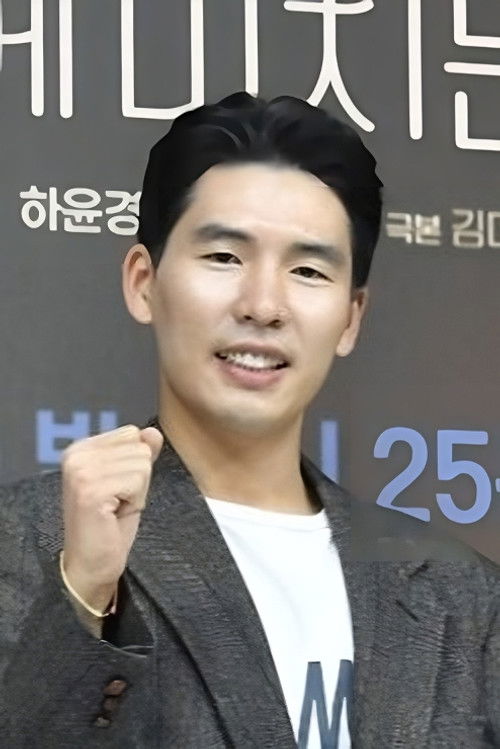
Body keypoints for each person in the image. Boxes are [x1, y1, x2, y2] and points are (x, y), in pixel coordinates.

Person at [0, 92, 499, 749]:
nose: (263, 305)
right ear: (144, 281)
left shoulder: (463, 596)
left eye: (308, 270)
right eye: (224, 257)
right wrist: (84, 596)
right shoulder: (29, 544)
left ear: (351, 318)